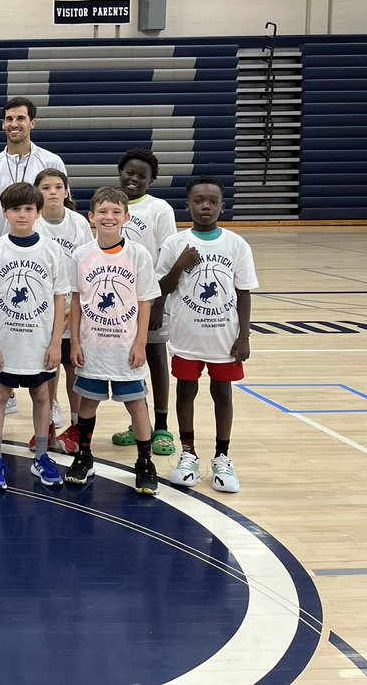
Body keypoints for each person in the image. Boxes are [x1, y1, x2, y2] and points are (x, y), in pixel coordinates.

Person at [159, 176, 257, 494]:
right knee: (186, 393)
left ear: (221, 206)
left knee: (222, 394)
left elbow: (243, 293)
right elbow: (161, 288)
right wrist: (180, 265)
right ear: (188, 205)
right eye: (199, 200)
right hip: (187, 335)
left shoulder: (236, 245)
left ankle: (222, 457)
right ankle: (187, 453)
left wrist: (244, 336)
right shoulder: (175, 244)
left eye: (212, 201)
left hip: (224, 338)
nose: (205, 206)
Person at [64, 187, 161, 496]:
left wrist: (140, 343)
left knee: (136, 404)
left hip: (126, 345)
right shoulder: (81, 255)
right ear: (91, 217)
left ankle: (145, 462)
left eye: (115, 212)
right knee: (88, 402)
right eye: (102, 211)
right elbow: (76, 301)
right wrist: (76, 343)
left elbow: (145, 301)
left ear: (126, 217)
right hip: (92, 345)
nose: (109, 217)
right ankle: (84, 453)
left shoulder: (138, 254)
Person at [0, 182, 68, 491]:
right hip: (6, 341)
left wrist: (57, 341)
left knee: (42, 395)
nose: (22, 214)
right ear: (5, 212)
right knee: (0, 396)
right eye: (16, 209)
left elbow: (59, 299)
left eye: (29, 209)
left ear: (38, 213)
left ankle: (42, 455)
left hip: (40, 342)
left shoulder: (52, 251)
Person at [112, 148, 178, 456]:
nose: (134, 179)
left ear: (152, 179)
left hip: (150, 298)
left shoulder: (159, 209)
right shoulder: (111, 204)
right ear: (119, 172)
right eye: (130, 173)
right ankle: (138, 423)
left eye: (142, 175)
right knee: (131, 362)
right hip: (117, 302)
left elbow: (168, 256)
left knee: (155, 356)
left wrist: (159, 302)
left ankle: (162, 426)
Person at [33, 168, 93, 455]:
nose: (53, 192)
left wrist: (74, 307)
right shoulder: (32, 222)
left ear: (67, 192)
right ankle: (46, 426)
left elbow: (85, 268)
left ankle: (76, 426)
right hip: (43, 311)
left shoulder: (79, 223)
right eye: (46, 187)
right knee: (49, 368)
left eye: (58, 186)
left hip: (74, 307)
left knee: (74, 368)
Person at [0, 97, 66, 239]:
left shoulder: (52, 162)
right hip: (1, 251)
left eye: (20, 118)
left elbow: (62, 210)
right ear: (2, 124)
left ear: (32, 123)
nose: (14, 124)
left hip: (41, 249)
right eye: (9, 119)